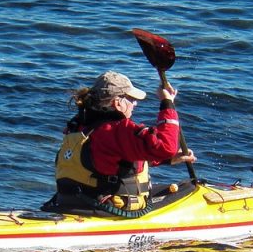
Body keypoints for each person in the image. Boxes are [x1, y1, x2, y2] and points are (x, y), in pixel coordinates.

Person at [42, 70, 196, 216]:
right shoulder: (119, 129)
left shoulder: (79, 125)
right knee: (189, 188)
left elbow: (109, 160)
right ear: (117, 103)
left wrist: (169, 159)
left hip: (71, 202)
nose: (135, 104)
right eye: (131, 99)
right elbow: (167, 146)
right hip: (105, 209)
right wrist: (167, 103)